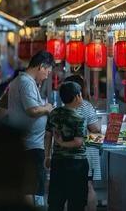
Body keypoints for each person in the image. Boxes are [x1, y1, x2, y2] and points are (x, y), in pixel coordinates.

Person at [7, 51, 54, 206]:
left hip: (29, 142)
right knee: (33, 186)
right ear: (41, 66)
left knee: (31, 185)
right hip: (31, 144)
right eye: (47, 71)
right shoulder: (26, 82)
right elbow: (32, 110)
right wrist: (47, 108)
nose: (47, 75)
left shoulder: (24, 81)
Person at [44, 81, 88, 211]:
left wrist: (47, 156)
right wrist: (62, 143)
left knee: (56, 201)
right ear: (76, 97)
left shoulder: (54, 113)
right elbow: (78, 142)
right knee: (77, 202)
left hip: (58, 162)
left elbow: (48, 135)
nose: (81, 97)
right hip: (77, 164)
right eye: (80, 94)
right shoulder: (78, 118)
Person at [63, 75, 101, 211]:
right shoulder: (85, 105)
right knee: (88, 186)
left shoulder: (64, 107)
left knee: (69, 188)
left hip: (67, 152)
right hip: (86, 153)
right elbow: (95, 128)